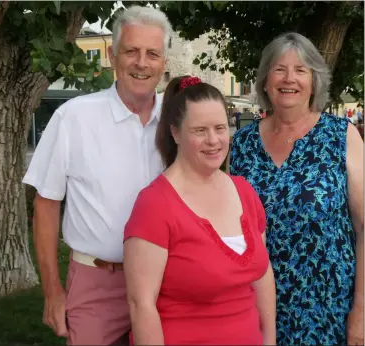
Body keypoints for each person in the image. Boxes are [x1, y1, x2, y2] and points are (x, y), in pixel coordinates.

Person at [22, 6, 172, 345]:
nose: (141, 62)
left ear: (164, 62)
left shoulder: (178, 119)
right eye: (131, 51)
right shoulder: (73, 117)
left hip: (168, 282)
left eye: (152, 53)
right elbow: (45, 204)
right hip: (97, 282)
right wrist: (52, 291)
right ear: (111, 55)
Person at [230, 32, 364, 345]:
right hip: (258, 309)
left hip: (328, 311)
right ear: (264, 80)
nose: (289, 78)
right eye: (279, 69)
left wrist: (361, 309)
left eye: (301, 70)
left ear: (314, 81)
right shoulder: (240, 145)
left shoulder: (341, 137)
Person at [123, 76, 276, 345]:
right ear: (175, 133)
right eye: (200, 130)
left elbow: (262, 277)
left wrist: (270, 338)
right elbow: (141, 306)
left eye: (220, 127)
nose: (214, 140)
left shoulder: (244, 192)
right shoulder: (155, 204)